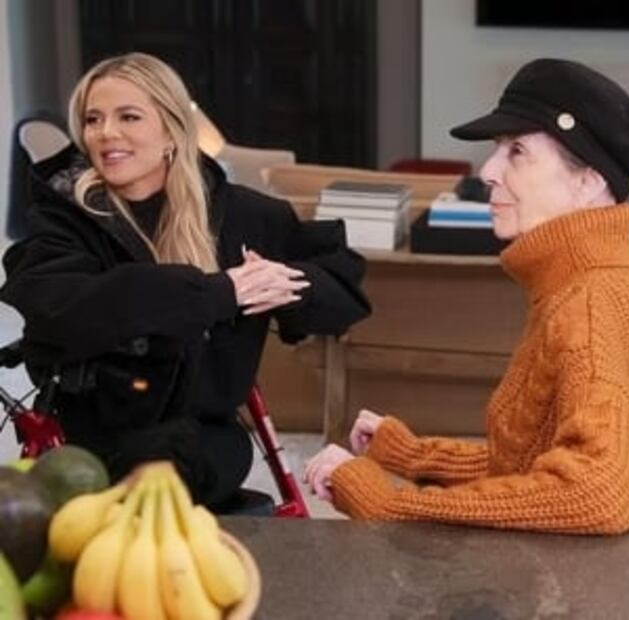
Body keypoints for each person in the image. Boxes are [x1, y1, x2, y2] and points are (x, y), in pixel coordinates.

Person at [305, 58, 629, 534]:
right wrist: (413, 455)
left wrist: (390, 503)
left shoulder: (588, 304)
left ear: (589, 180)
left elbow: (594, 493)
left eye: (517, 150)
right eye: (497, 148)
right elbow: (535, 460)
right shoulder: (613, 280)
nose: (488, 171)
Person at [0, 53, 370, 509]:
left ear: (171, 129)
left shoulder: (244, 215)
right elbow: (60, 306)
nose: (105, 133)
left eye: (128, 116)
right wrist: (220, 292)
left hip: (206, 435)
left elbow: (345, 288)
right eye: (93, 119)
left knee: (174, 461)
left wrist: (291, 284)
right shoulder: (63, 218)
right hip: (97, 437)